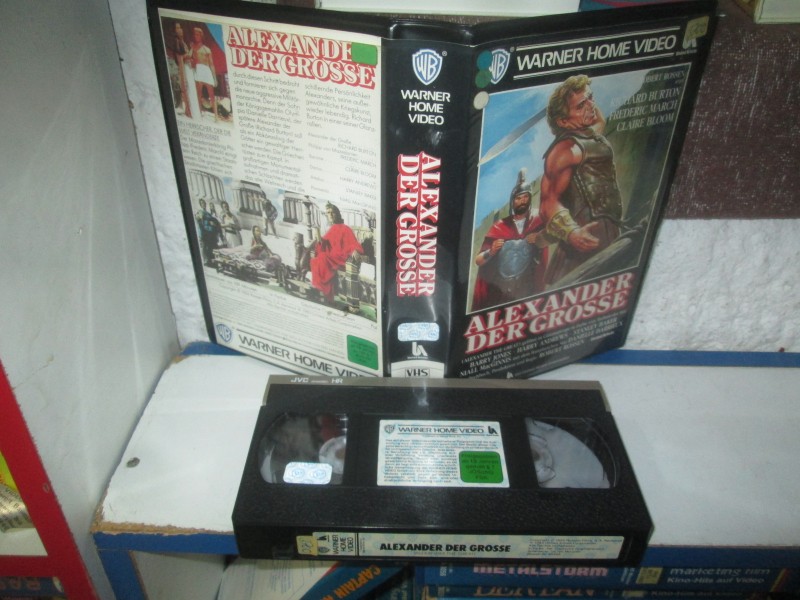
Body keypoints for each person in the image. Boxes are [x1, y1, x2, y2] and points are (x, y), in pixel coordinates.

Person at [540, 74, 623, 286]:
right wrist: (572, 233)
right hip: (585, 237)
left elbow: (599, 121)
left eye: (591, 98)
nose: (591, 106)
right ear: (563, 121)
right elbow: (548, 202)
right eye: (580, 106)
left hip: (610, 229)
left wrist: (582, 99)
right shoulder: (564, 150)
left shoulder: (590, 135)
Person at [472, 169, 547, 310]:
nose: (522, 201)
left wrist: (539, 238)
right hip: (502, 287)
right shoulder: (499, 227)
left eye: (525, 197)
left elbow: (552, 238)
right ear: (512, 201)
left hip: (528, 284)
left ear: (530, 198)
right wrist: (491, 251)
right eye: (518, 198)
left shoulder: (538, 221)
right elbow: (478, 260)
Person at [310, 203, 363, 305]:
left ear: (337, 214)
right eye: (328, 213)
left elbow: (353, 244)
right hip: (331, 258)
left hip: (341, 259)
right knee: (315, 260)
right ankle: (320, 289)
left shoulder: (345, 228)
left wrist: (354, 250)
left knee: (322, 257)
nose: (330, 215)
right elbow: (325, 243)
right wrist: (320, 240)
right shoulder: (332, 228)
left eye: (332, 212)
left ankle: (324, 291)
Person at [191, 27, 219, 121]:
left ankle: (216, 116)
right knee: (198, 93)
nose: (196, 36)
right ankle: (199, 113)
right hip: (198, 70)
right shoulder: (193, 48)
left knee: (211, 95)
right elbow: (192, 59)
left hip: (206, 71)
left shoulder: (207, 49)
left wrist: (214, 78)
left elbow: (211, 64)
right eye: (195, 34)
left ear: (201, 36)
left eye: (198, 34)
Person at [195, 198, 221, 265]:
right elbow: (198, 219)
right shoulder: (200, 212)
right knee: (206, 246)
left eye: (204, 203)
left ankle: (212, 260)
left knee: (211, 246)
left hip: (211, 232)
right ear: (200, 205)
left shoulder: (208, 213)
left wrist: (214, 224)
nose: (203, 204)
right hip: (205, 232)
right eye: (202, 203)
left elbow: (214, 221)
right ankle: (206, 260)